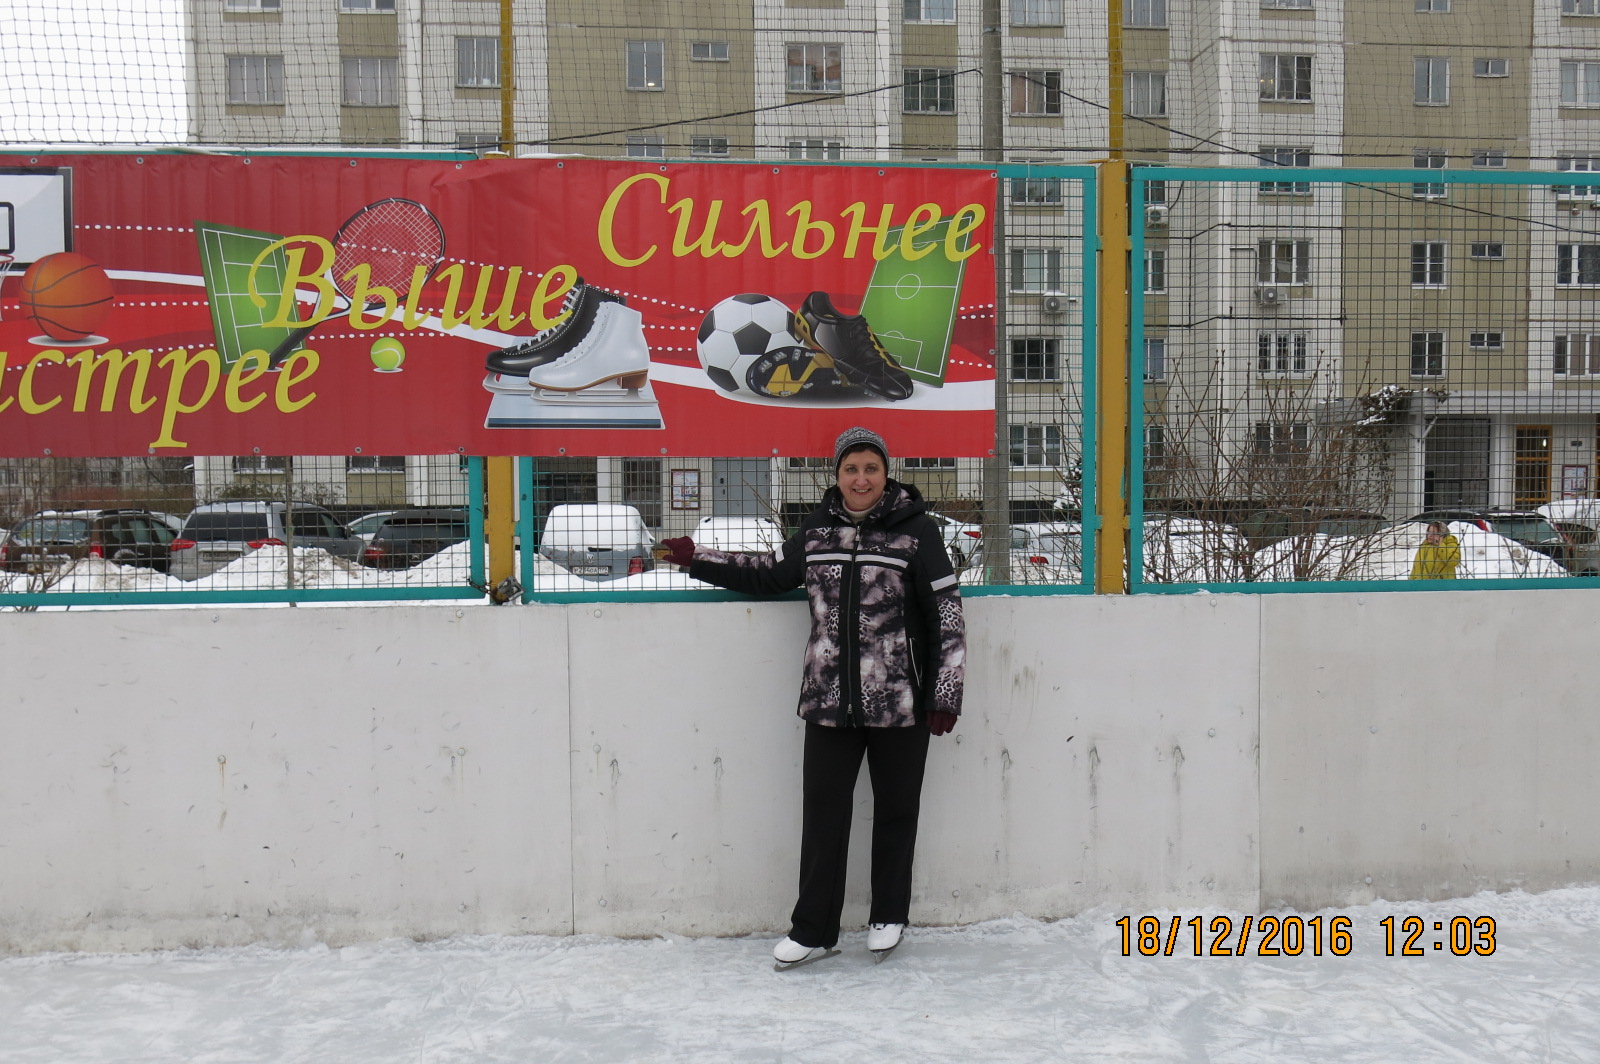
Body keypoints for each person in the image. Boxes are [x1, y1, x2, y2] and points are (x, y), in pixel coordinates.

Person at [658, 426, 966, 967]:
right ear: (837, 474)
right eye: (851, 469)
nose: (861, 479)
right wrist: (695, 557)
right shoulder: (817, 530)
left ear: (886, 473)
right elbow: (769, 574)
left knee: (897, 811)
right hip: (828, 701)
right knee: (824, 816)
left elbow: (947, 613)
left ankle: (889, 915)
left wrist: (945, 692)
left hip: (900, 702)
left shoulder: (917, 532)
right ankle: (814, 930)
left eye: (871, 468)